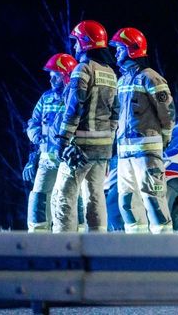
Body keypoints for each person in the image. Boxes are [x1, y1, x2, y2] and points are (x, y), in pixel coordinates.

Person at [51, 20, 119, 232]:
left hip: (79, 148)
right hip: (103, 149)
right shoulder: (110, 73)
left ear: (86, 42)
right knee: (95, 197)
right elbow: (115, 112)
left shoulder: (83, 69)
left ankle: (65, 244)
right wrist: (109, 140)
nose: (74, 46)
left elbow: (74, 108)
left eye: (77, 41)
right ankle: (98, 243)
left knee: (63, 196)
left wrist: (63, 139)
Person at [109, 27, 176, 234]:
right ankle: (137, 244)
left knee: (153, 199)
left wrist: (165, 137)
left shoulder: (151, 78)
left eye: (120, 48)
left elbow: (167, 111)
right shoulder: (121, 81)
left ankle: (164, 244)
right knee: (127, 201)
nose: (116, 53)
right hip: (125, 155)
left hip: (147, 153)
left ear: (133, 48)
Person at [24, 53, 78, 232]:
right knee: (38, 198)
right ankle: (38, 236)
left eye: (56, 75)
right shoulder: (46, 98)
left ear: (66, 76)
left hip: (68, 160)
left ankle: (74, 235)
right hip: (46, 159)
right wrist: (36, 137)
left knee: (69, 199)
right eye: (50, 75)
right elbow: (33, 122)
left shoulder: (76, 99)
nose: (51, 79)